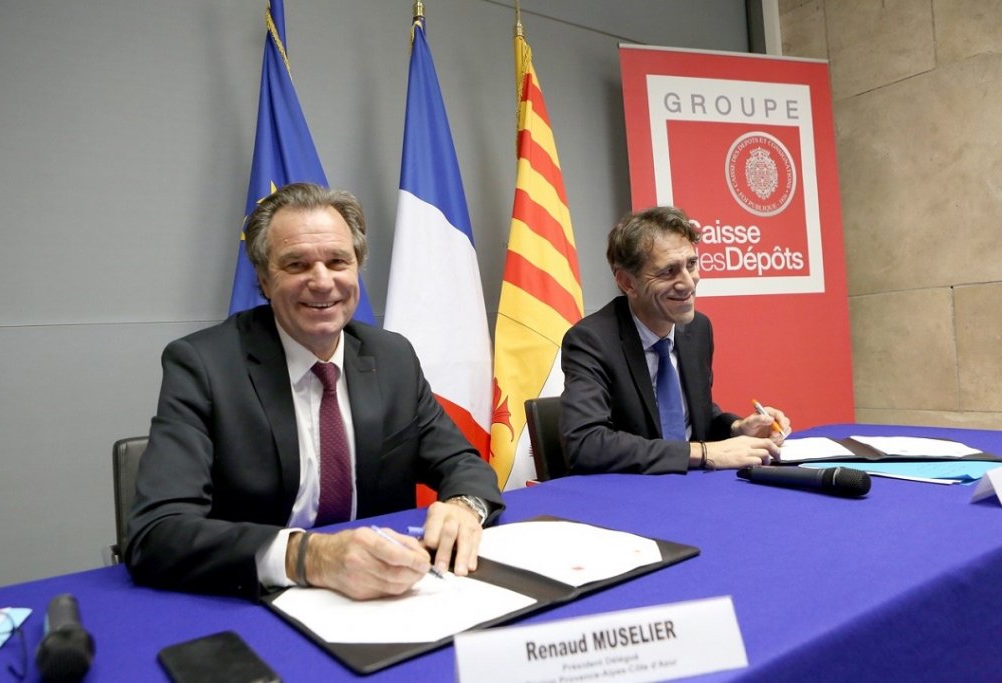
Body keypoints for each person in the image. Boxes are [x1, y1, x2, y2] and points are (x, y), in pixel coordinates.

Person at [126, 182, 503, 600]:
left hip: (384, 593)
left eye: (337, 261)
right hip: (259, 597)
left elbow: (462, 464)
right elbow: (157, 532)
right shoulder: (203, 366)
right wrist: (310, 556)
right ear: (265, 281)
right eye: (296, 265)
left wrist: (464, 508)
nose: (322, 282)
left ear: (357, 266)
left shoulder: (392, 356)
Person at [560, 206, 790, 475]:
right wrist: (703, 453)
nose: (688, 283)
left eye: (691, 265)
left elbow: (695, 418)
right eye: (669, 271)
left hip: (693, 487)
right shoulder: (591, 341)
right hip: (632, 494)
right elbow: (586, 444)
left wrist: (736, 428)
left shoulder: (697, 329)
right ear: (627, 283)